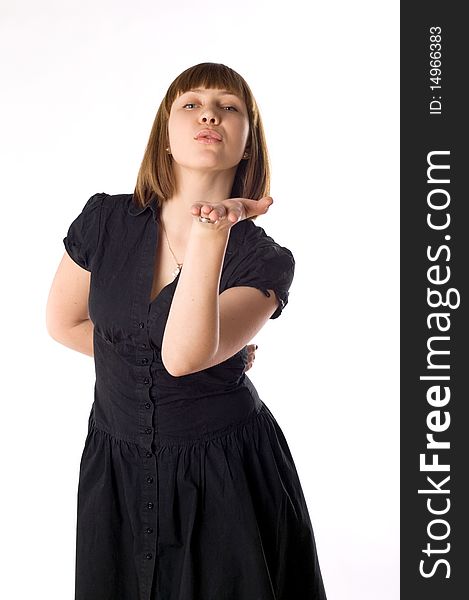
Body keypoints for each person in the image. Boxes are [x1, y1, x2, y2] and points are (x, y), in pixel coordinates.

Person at [46, 62, 327, 600]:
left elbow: (181, 357)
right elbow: (65, 322)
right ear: (166, 135)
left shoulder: (264, 262)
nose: (210, 115)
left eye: (229, 107)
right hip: (116, 468)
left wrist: (211, 231)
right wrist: (142, 367)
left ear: (247, 143)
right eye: (191, 104)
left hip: (224, 474)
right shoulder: (104, 220)